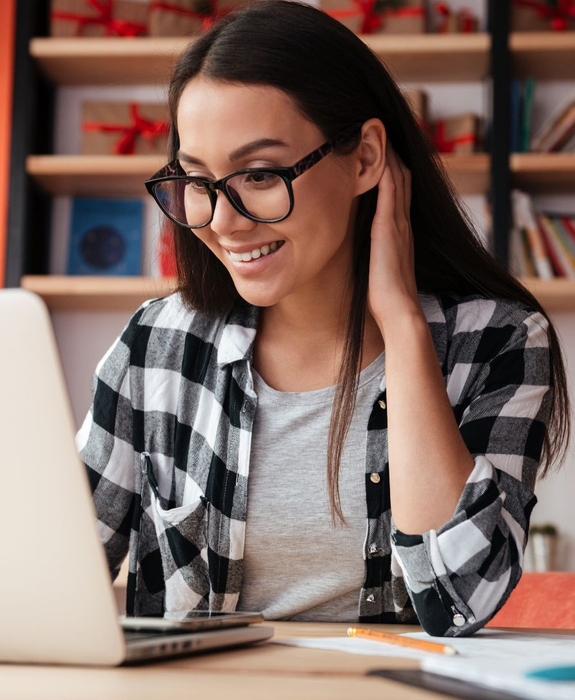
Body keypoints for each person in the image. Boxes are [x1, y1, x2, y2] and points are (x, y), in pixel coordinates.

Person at [75, 0, 570, 636]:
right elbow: (53, 577)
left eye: (257, 174)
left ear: (364, 158)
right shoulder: (157, 345)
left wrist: (402, 325)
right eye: (198, 179)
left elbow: (461, 600)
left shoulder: (498, 340)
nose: (223, 221)